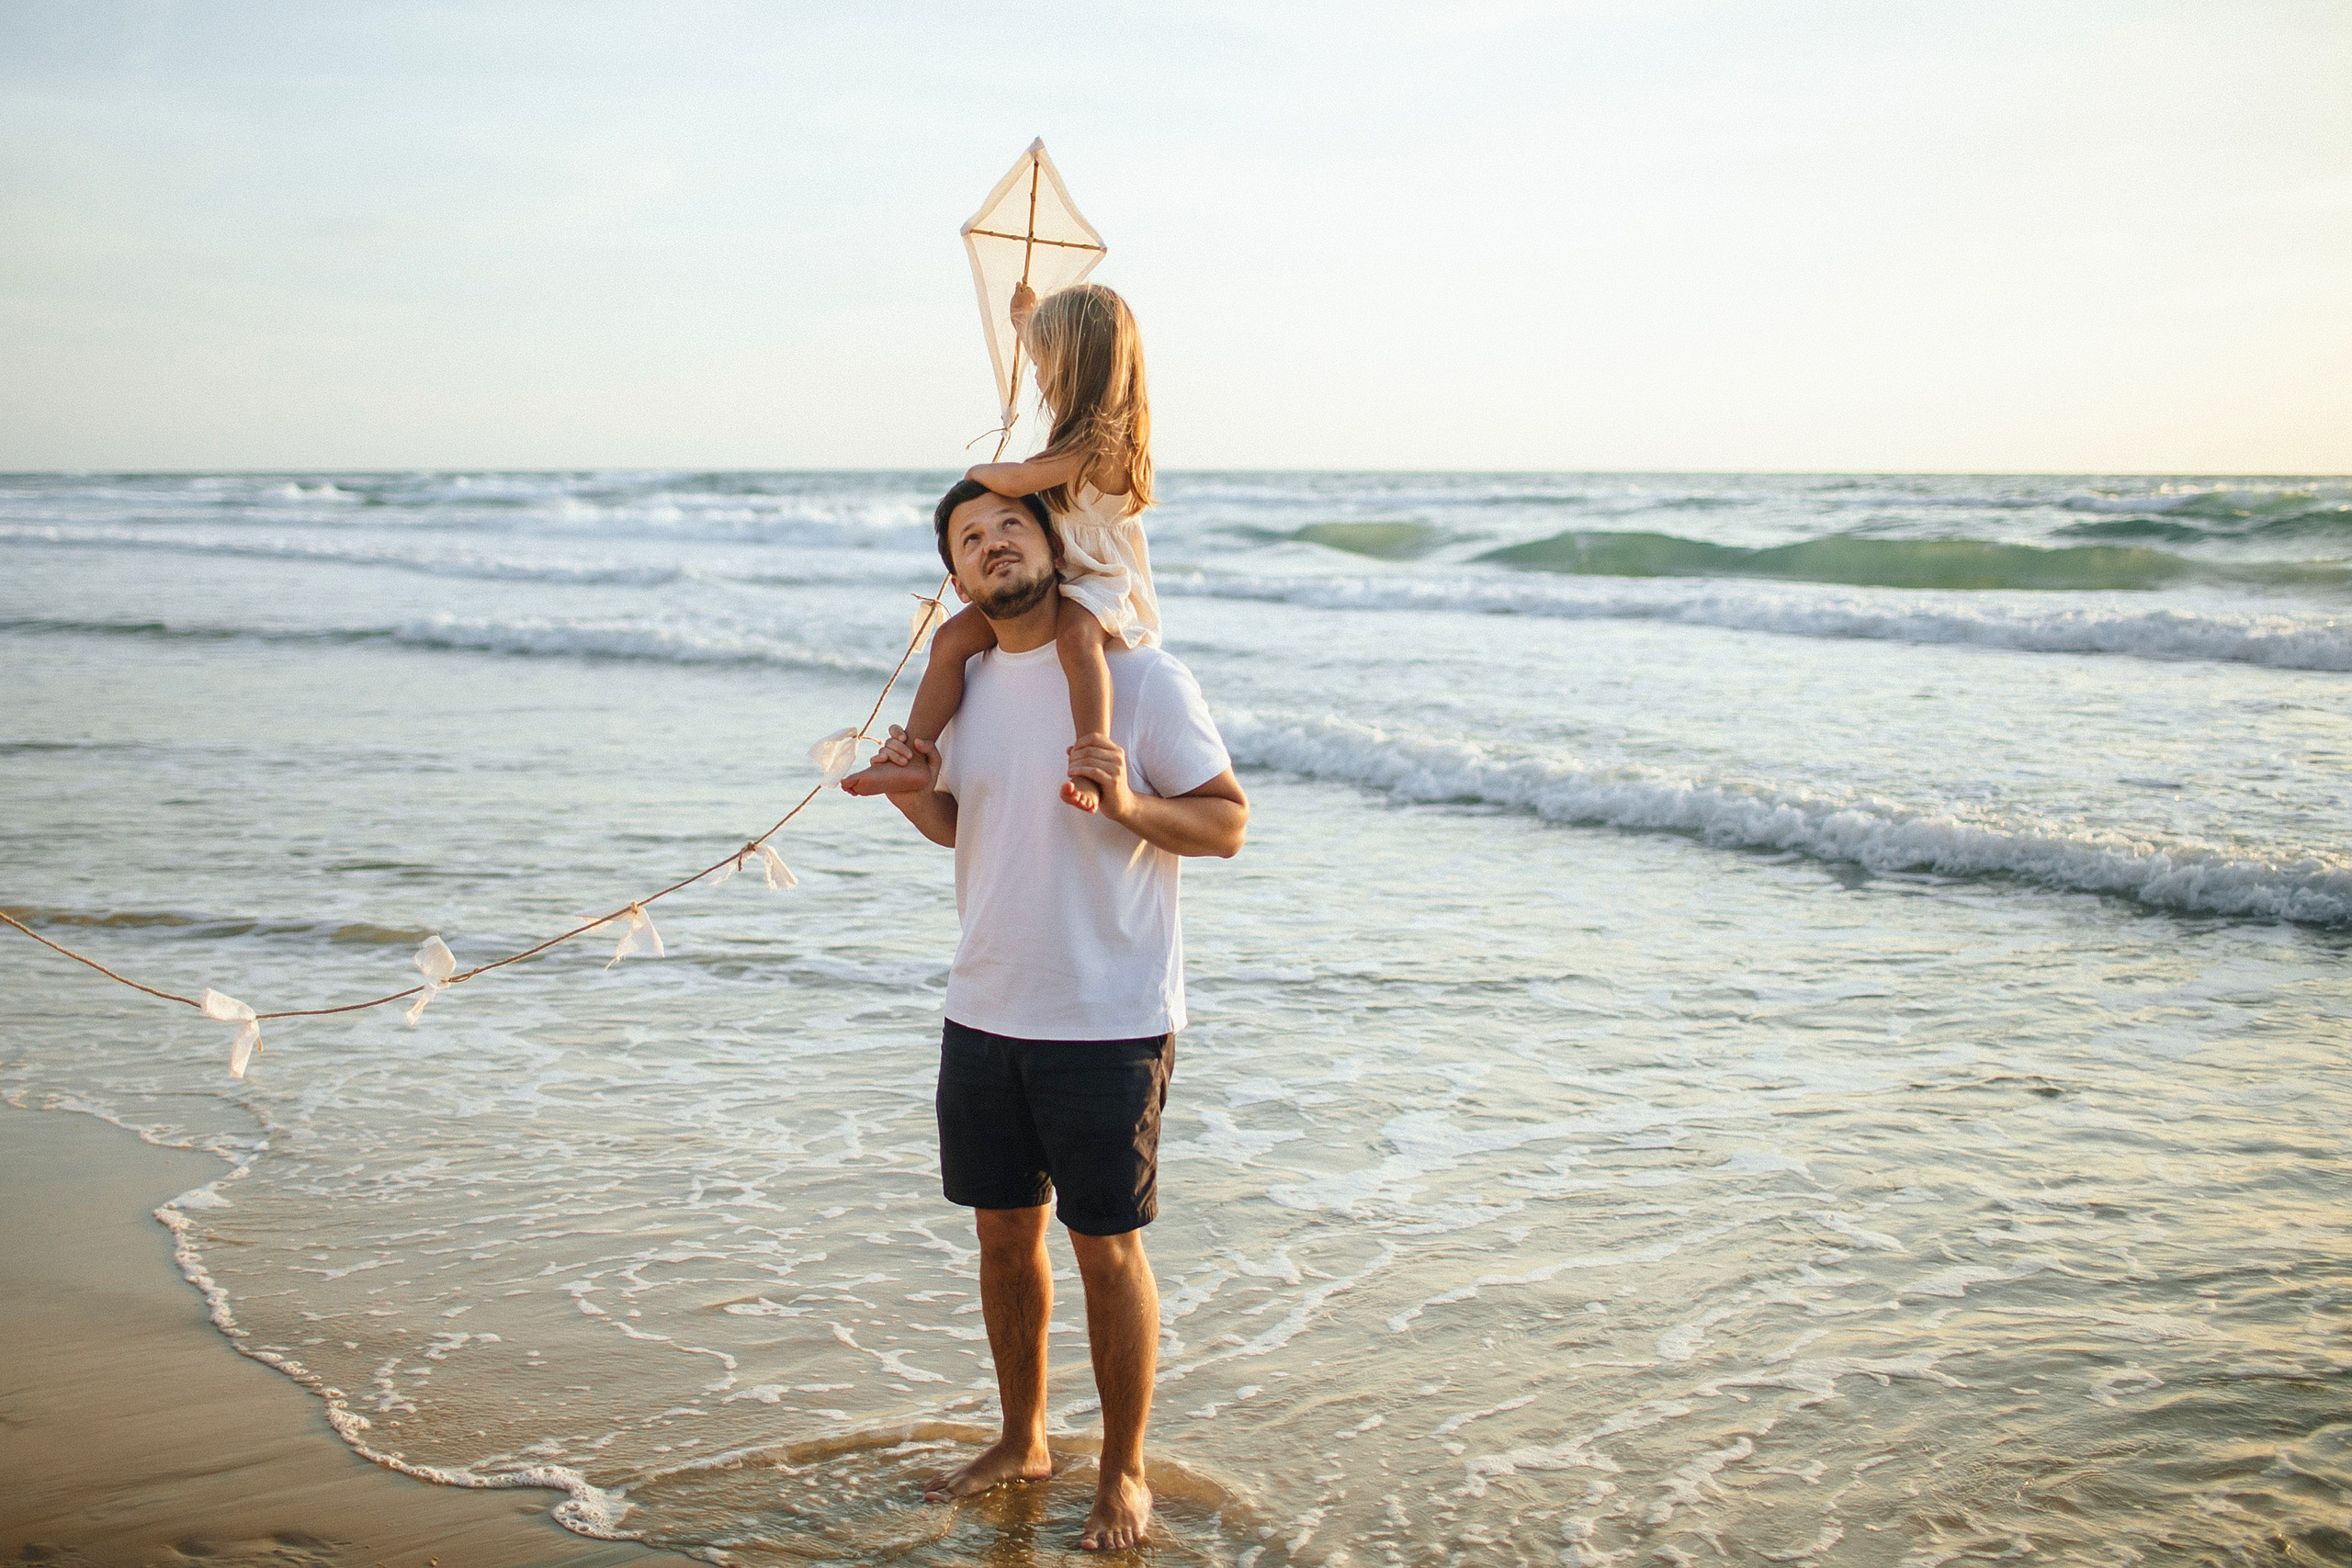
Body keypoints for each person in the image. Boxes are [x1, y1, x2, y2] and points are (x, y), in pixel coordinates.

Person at [852, 478, 1247, 1552]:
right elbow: (958, 826)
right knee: (1000, 1239)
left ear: (1051, 543)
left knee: (1104, 1246)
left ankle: (1122, 1472)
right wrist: (906, 789)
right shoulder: (967, 679)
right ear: (956, 576)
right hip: (983, 1003)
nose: (990, 545)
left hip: (1107, 1012)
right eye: (968, 539)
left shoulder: (1141, 677)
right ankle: (1022, 1438)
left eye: (1007, 526)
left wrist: (1125, 805)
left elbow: (1223, 826)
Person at [843, 280, 1158, 815]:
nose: (1037, 374)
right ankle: (917, 754)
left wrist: (977, 472)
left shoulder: (1104, 443)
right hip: (1057, 573)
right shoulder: (1079, 430)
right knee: (949, 640)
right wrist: (1024, 323)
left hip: (1098, 580)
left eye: (1046, 362)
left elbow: (1012, 481)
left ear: (1076, 370)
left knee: (1077, 641)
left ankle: (1092, 760)